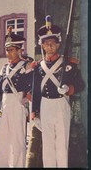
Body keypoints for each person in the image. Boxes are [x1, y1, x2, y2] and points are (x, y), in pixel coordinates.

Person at [31, 15, 85, 167]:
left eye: (52, 43)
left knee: (61, 142)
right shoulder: (39, 67)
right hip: (45, 106)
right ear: (42, 46)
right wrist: (34, 111)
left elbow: (80, 84)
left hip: (61, 105)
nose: (49, 46)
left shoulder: (68, 64)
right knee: (47, 144)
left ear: (58, 44)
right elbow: (36, 90)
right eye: (46, 44)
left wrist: (69, 89)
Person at [0, 32, 33, 167]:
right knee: (1, 140)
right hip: (4, 106)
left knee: (18, 141)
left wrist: (29, 96)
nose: (8, 53)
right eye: (7, 50)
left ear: (20, 50)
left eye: (11, 50)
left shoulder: (26, 66)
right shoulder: (4, 68)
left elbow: (33, 85)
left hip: (17, 104)